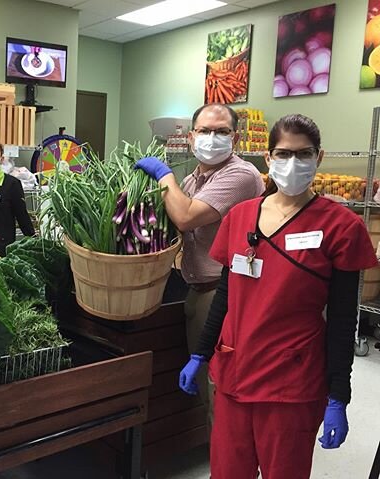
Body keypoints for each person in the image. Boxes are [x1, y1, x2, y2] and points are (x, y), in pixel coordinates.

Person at [179, 114, 378, 479]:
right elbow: (226, 293)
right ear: (268, 158)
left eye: (304, 155)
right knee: (227, 472)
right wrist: (201, 352)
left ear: (319, 158)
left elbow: (342, 318)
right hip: (235, 373)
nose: (293, 164)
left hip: (292, 384)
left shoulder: (340, 227)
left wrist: (338, 395)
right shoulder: (240, 217)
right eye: (284, 154)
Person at [135, 103, 265, 430]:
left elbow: (185, 216)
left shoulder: (241, 174)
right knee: (211, 389)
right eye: (205, 131)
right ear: (192, 137)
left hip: (227, 295)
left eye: (221, 132)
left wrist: (164, 175)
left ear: (234, 139)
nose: (212, 138)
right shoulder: (193, 179)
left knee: (223, 388)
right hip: (198, 289)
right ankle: (222, 454)